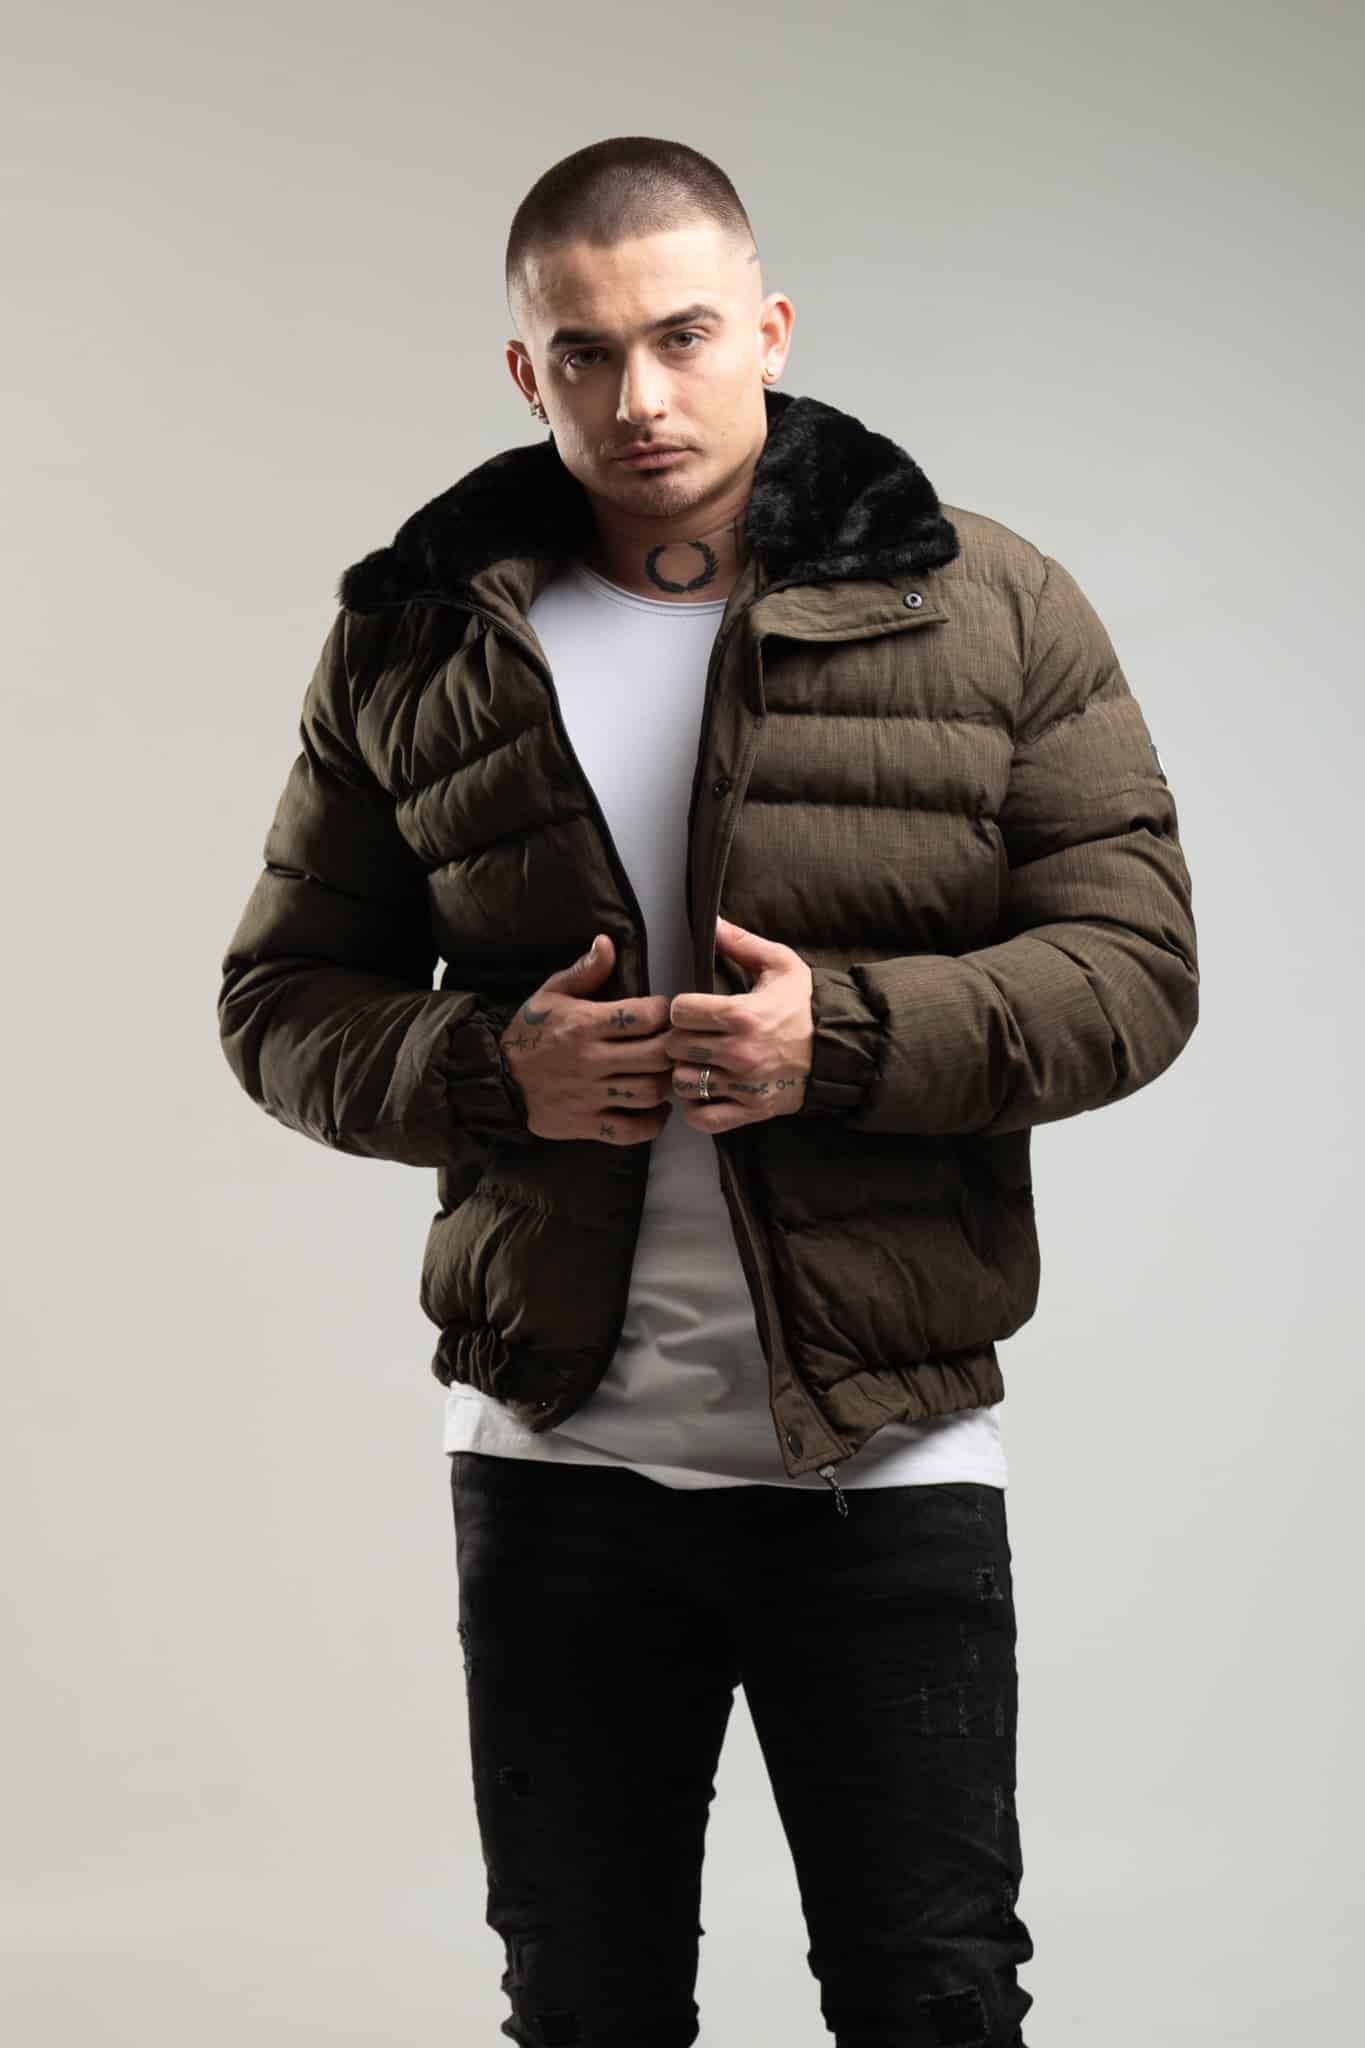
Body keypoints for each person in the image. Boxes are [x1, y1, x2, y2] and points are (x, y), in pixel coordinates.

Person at [218, 135, 1199, 2048]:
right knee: (584, 2007)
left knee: (931, 2000)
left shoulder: (989, 603)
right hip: (555, 1459)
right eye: (583, 353)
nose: (638, 397)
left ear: (768, 329)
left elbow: (1135, 971)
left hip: (884, 1449)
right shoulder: (419, 634)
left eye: (680, 336)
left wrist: (841, 1040)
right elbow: (278, 1002)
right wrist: (487, 1070)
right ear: (526, 370)